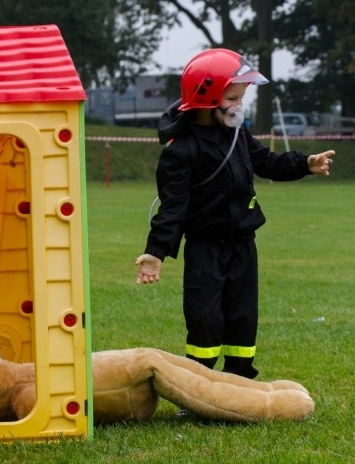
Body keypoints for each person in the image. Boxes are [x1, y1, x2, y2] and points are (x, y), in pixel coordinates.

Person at [134, 48, 335, 380]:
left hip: (243, 245)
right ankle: (198, 383)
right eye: (232, 98)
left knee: (243, 316)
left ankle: (241, 379)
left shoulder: (237, 134)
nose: (238, 105)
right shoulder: (181, 152)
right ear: (207, 99)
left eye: (241, 97)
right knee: (206, 319)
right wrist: (156, 253)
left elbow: (266, 162)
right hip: (205, 249)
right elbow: (173, 208)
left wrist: (304, 164)